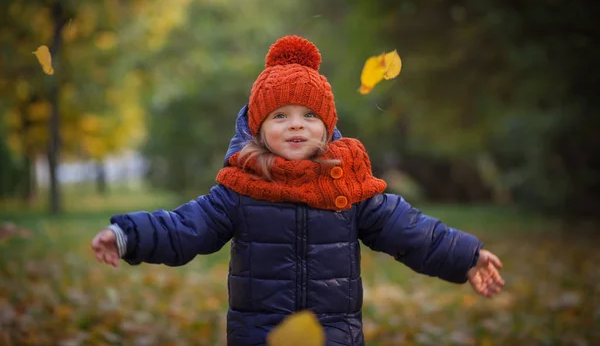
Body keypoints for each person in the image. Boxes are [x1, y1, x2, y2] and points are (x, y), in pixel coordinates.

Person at [92, 35, 504, 346]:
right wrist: (129, 235)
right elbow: (184, 227)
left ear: (327, 126)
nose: (296, 124)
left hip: (334, 337)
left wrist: (465, 256)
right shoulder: (240, 189)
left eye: (309, 115)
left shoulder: (348, 187)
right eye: (280, 115)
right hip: (261, 336)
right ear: (257, 129)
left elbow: (410, 231)